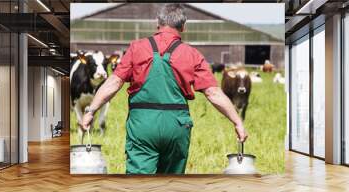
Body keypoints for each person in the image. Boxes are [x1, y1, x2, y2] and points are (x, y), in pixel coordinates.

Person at [81, 4, 248, 174]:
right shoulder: (192, 54)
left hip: (143, 125)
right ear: (183, 26)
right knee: (171, 185)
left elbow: (113, 83)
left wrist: (91, 111)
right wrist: (237, 122)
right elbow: (213, 93)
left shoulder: (136, 48)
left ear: (157, 23)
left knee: (139, 185)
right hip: (177, 126)